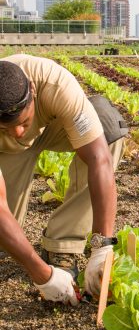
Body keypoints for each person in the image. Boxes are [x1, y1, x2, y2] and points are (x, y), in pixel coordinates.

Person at [0, 54, 128, 305]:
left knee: (108, 129)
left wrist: (102, 246)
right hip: (4, 151)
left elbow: (98, 159)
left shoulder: (54, 84)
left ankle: (62, 245)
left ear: (34, 91)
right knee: (5, 234)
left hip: (50, 128)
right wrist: (44, 276)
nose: (17, 132)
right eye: (5, 127)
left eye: (23, 121)